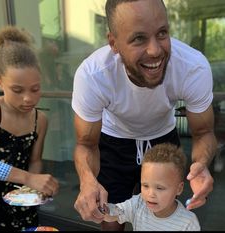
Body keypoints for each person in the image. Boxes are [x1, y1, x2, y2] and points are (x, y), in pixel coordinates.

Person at [71, 0, 217, 231]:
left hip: (162, 138)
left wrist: (201, 164)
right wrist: (87, 180)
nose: (155, 50)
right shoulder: (93, 75)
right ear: (114, 43)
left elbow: (203, 132)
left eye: (162, 33)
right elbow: (86, 144)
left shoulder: (192, 66)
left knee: (160, 217)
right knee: (110, 221)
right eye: (139, 38)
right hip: (114, 141)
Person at [0, 25, 59, 231]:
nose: (28, 98)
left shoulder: (40, 119)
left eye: (35, 89)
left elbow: (35, 161)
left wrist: (35, 187)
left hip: (20, 205)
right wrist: (29, 178)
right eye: (17, 90)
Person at [101, 143, 201, 231]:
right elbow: (115, 212)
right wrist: (102, 209)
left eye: (160, 188)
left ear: (179, 189)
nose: (151, 194)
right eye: (145, 185)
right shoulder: (138, 204)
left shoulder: (188, 223)